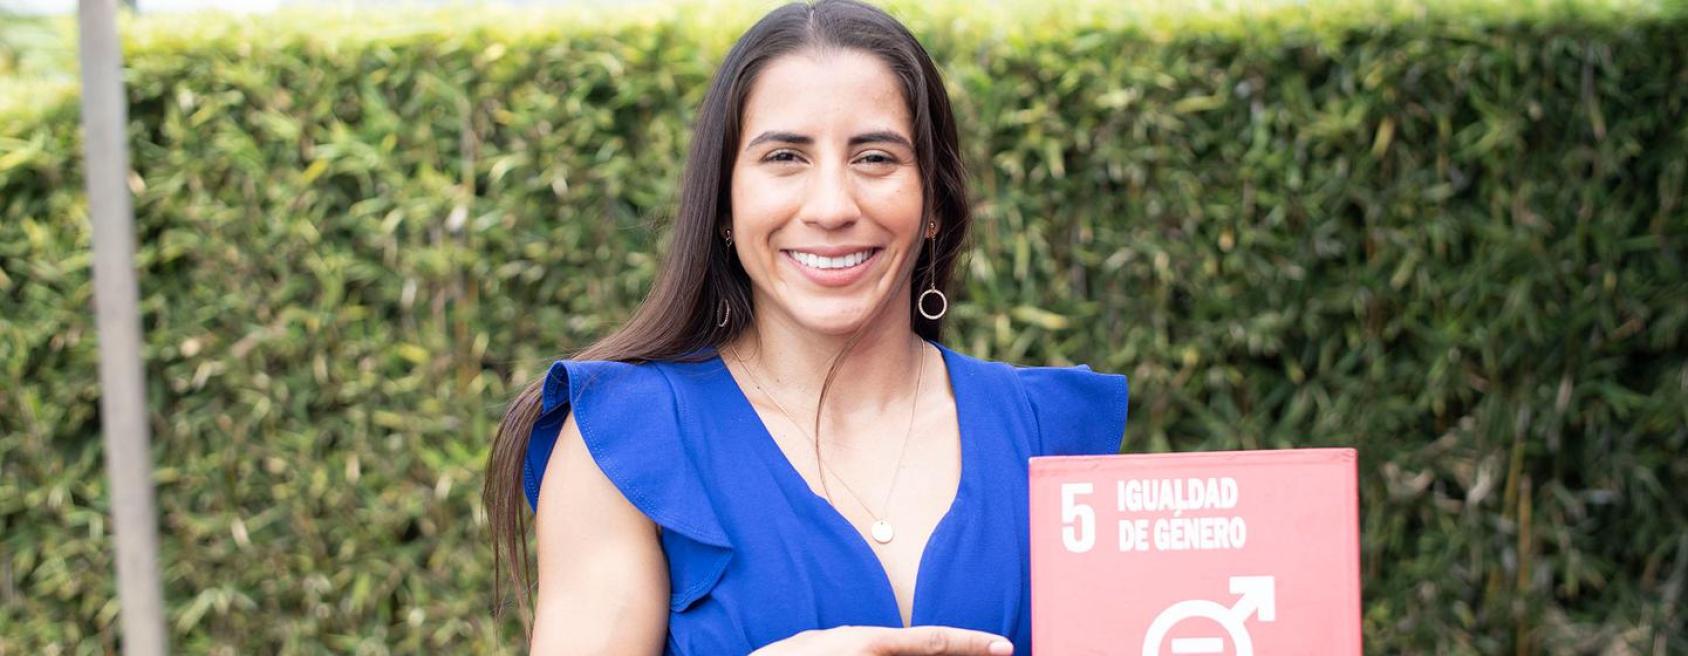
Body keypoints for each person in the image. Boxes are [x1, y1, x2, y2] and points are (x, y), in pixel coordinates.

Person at [482, 1, 1128, 653]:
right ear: (726, 204)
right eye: (786, 156)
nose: (830, 207)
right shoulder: (626, 443)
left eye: (875, 158)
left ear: (934, 203)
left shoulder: (1052, 438)